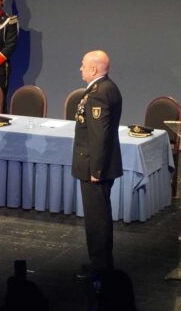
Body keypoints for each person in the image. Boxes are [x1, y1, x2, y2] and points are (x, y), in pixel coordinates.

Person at [72, 50, 122, 281]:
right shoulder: (106, 88)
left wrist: (96, 170)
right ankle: (100, 262)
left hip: (95, 165)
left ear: (93, 69)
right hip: (100, 163)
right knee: (98, 216)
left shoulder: (99, 93)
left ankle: (100, 266)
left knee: (97, 218)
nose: (80, 68)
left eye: (83, 65)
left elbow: (98, 135)